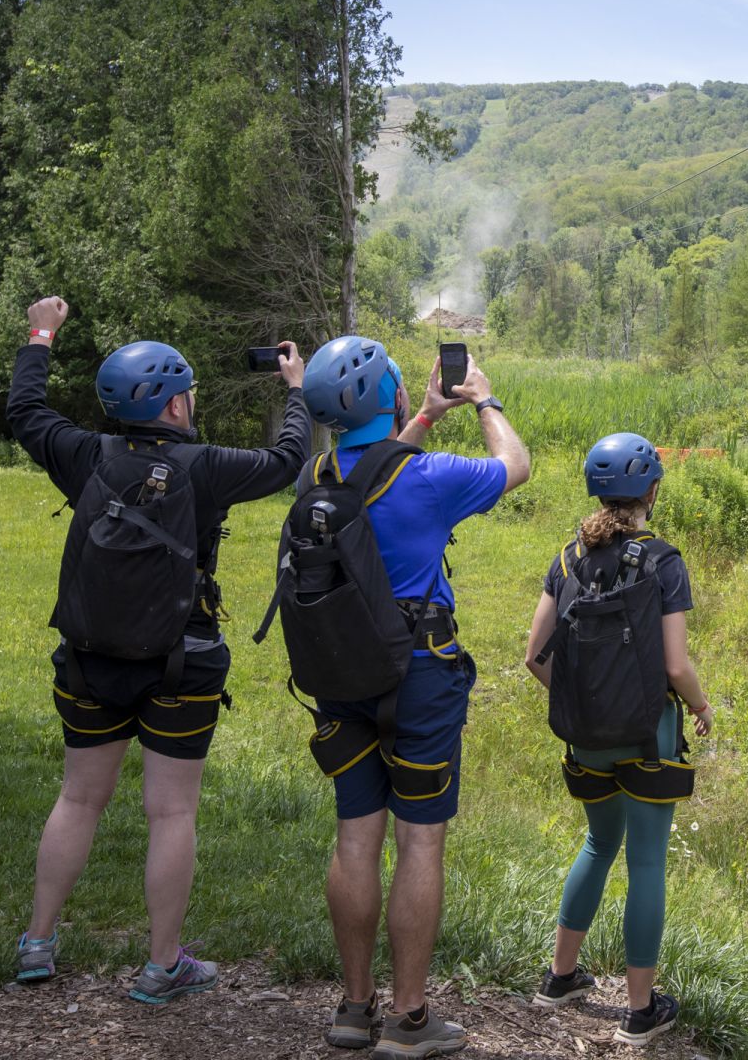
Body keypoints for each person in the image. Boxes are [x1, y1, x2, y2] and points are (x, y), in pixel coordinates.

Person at [6, 297, 311, 1002]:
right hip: (182, 661)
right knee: (170, 813)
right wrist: (295, 392)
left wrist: (41, 334)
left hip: (88, 659)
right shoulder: (208, 468)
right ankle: (162, 964)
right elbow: (290, 457)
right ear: (174, 405)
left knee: (78, 799)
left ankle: (38, 943)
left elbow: (25, 411)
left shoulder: (83, 455)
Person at [299, 336, 530, 1057]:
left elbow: (375, 469)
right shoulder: (428, 478)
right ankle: (409, 1017)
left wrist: (425, 416)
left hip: (341, 671)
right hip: (418, 676)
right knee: (419, 839)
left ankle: (354, 1007)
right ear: (392, 395)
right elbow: (515, 467)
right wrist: (483, 399)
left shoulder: (318, 475)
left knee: (355, 835)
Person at [522, 434, 716, 1047]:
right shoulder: (662, 561)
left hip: (585, 738)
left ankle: (560, 978)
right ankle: (639, 1011)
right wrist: (702, 706)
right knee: (647, 862)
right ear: (651, 490)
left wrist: (580, 700)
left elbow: (534, 657)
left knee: (598, 842)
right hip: (648, 736)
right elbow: (677, 665)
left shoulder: (567, 558)